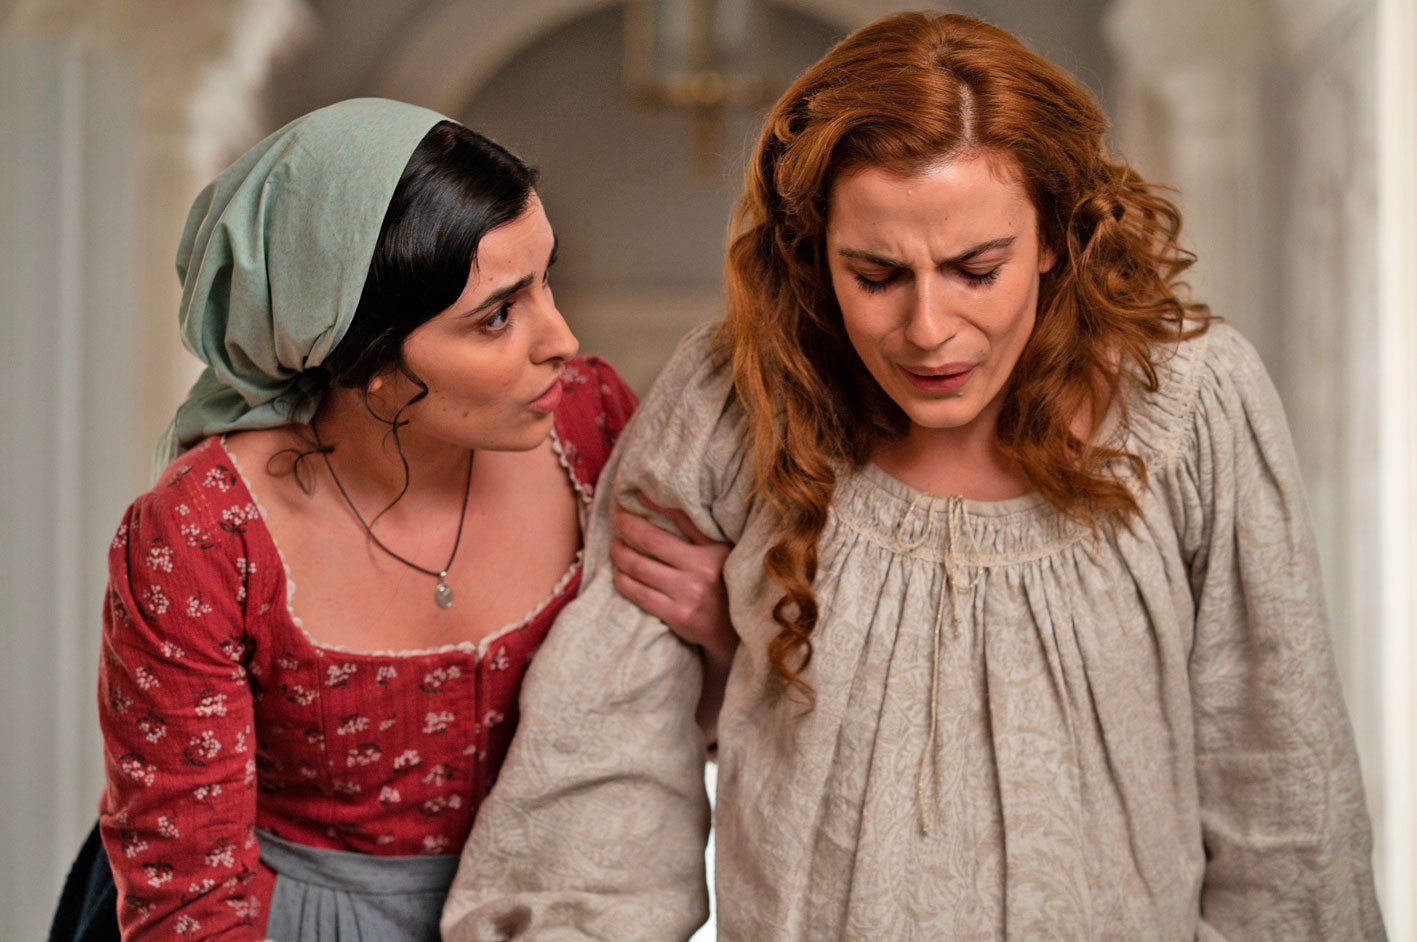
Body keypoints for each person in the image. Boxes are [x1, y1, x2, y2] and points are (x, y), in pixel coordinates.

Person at [441, 12, 1386, 941]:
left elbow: (1281, 790)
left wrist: (746, 629)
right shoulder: (735, 398)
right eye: (876, 275)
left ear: (1055, 236)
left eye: (976, 269)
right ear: (815, 250)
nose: (928, 330)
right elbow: (598, 776)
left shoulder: (1188, 403)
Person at [82, 98, 730, 941]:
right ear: (364, 356)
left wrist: (726, 628)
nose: (561, 340)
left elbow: (667, 717)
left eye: (545, 280)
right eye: (497, 315)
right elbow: (189, 895)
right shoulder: (204, 535)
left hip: (557, 910)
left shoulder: (590, 422)